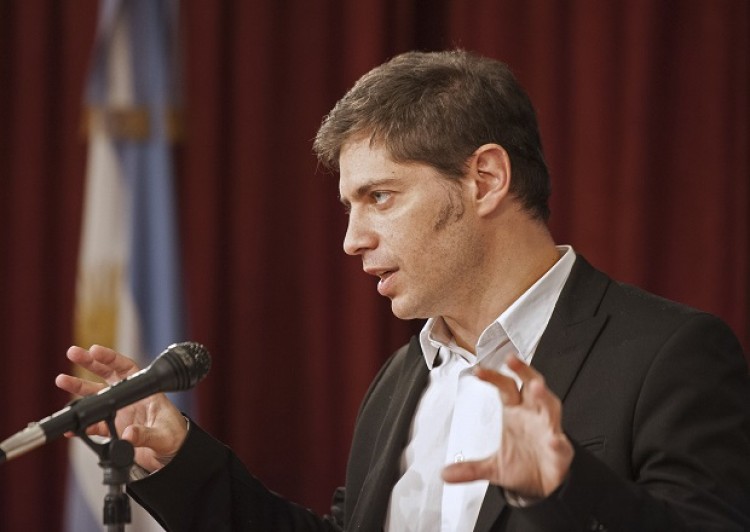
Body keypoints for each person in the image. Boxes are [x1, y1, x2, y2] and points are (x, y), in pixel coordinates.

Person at [56, 50, 750, 531]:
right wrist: (182, 460)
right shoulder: (401, 377)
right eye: (348, 207)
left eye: (380, 197)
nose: (351, 240)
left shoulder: (669, 356)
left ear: (485, 180)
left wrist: (566, 490)